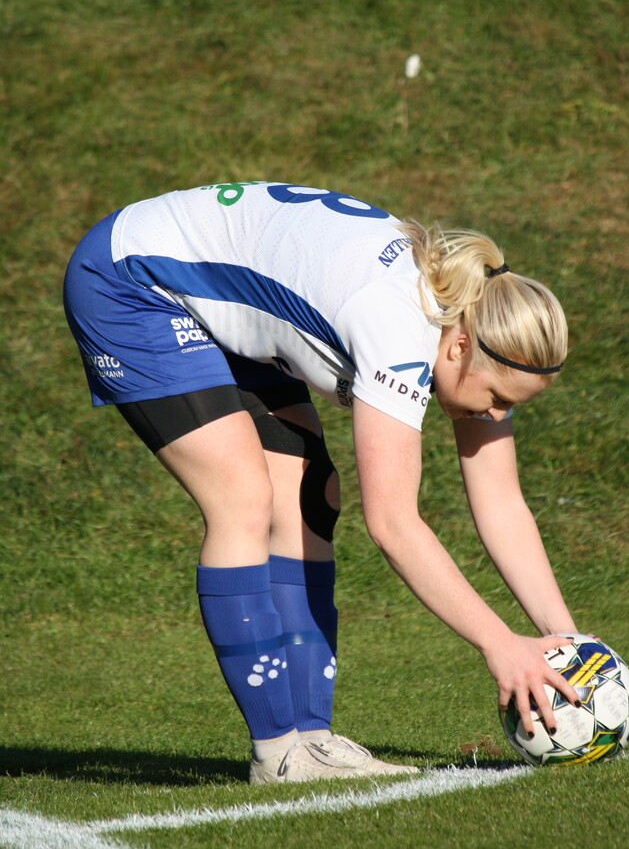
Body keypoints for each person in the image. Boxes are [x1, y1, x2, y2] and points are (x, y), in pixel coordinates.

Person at [63, 180, 582, 784]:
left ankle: (313, 742)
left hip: (217, 294)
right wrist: (500, 645)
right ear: (461, 346)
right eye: (496, 398)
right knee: (243, 499)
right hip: (130, 280)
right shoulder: (397, 329)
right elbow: (393, 524)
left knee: (310, 498)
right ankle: (277, 752)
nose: (496, 415)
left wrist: (563, 638)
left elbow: (500, 499)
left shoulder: (467, 328)